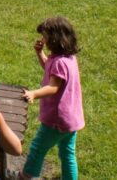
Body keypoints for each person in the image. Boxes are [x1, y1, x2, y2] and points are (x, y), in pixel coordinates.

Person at [21, 17, 85, 180]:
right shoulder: (67, 58)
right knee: (67, 153)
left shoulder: (59, 62)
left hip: (57, 120)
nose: (43, 39)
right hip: (71, 119)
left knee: (37, 148)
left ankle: (26, 176)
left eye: (45, 36)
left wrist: (34, 93)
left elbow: (53, 87)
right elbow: (50, 71)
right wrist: (39, 53)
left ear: (55, 39)